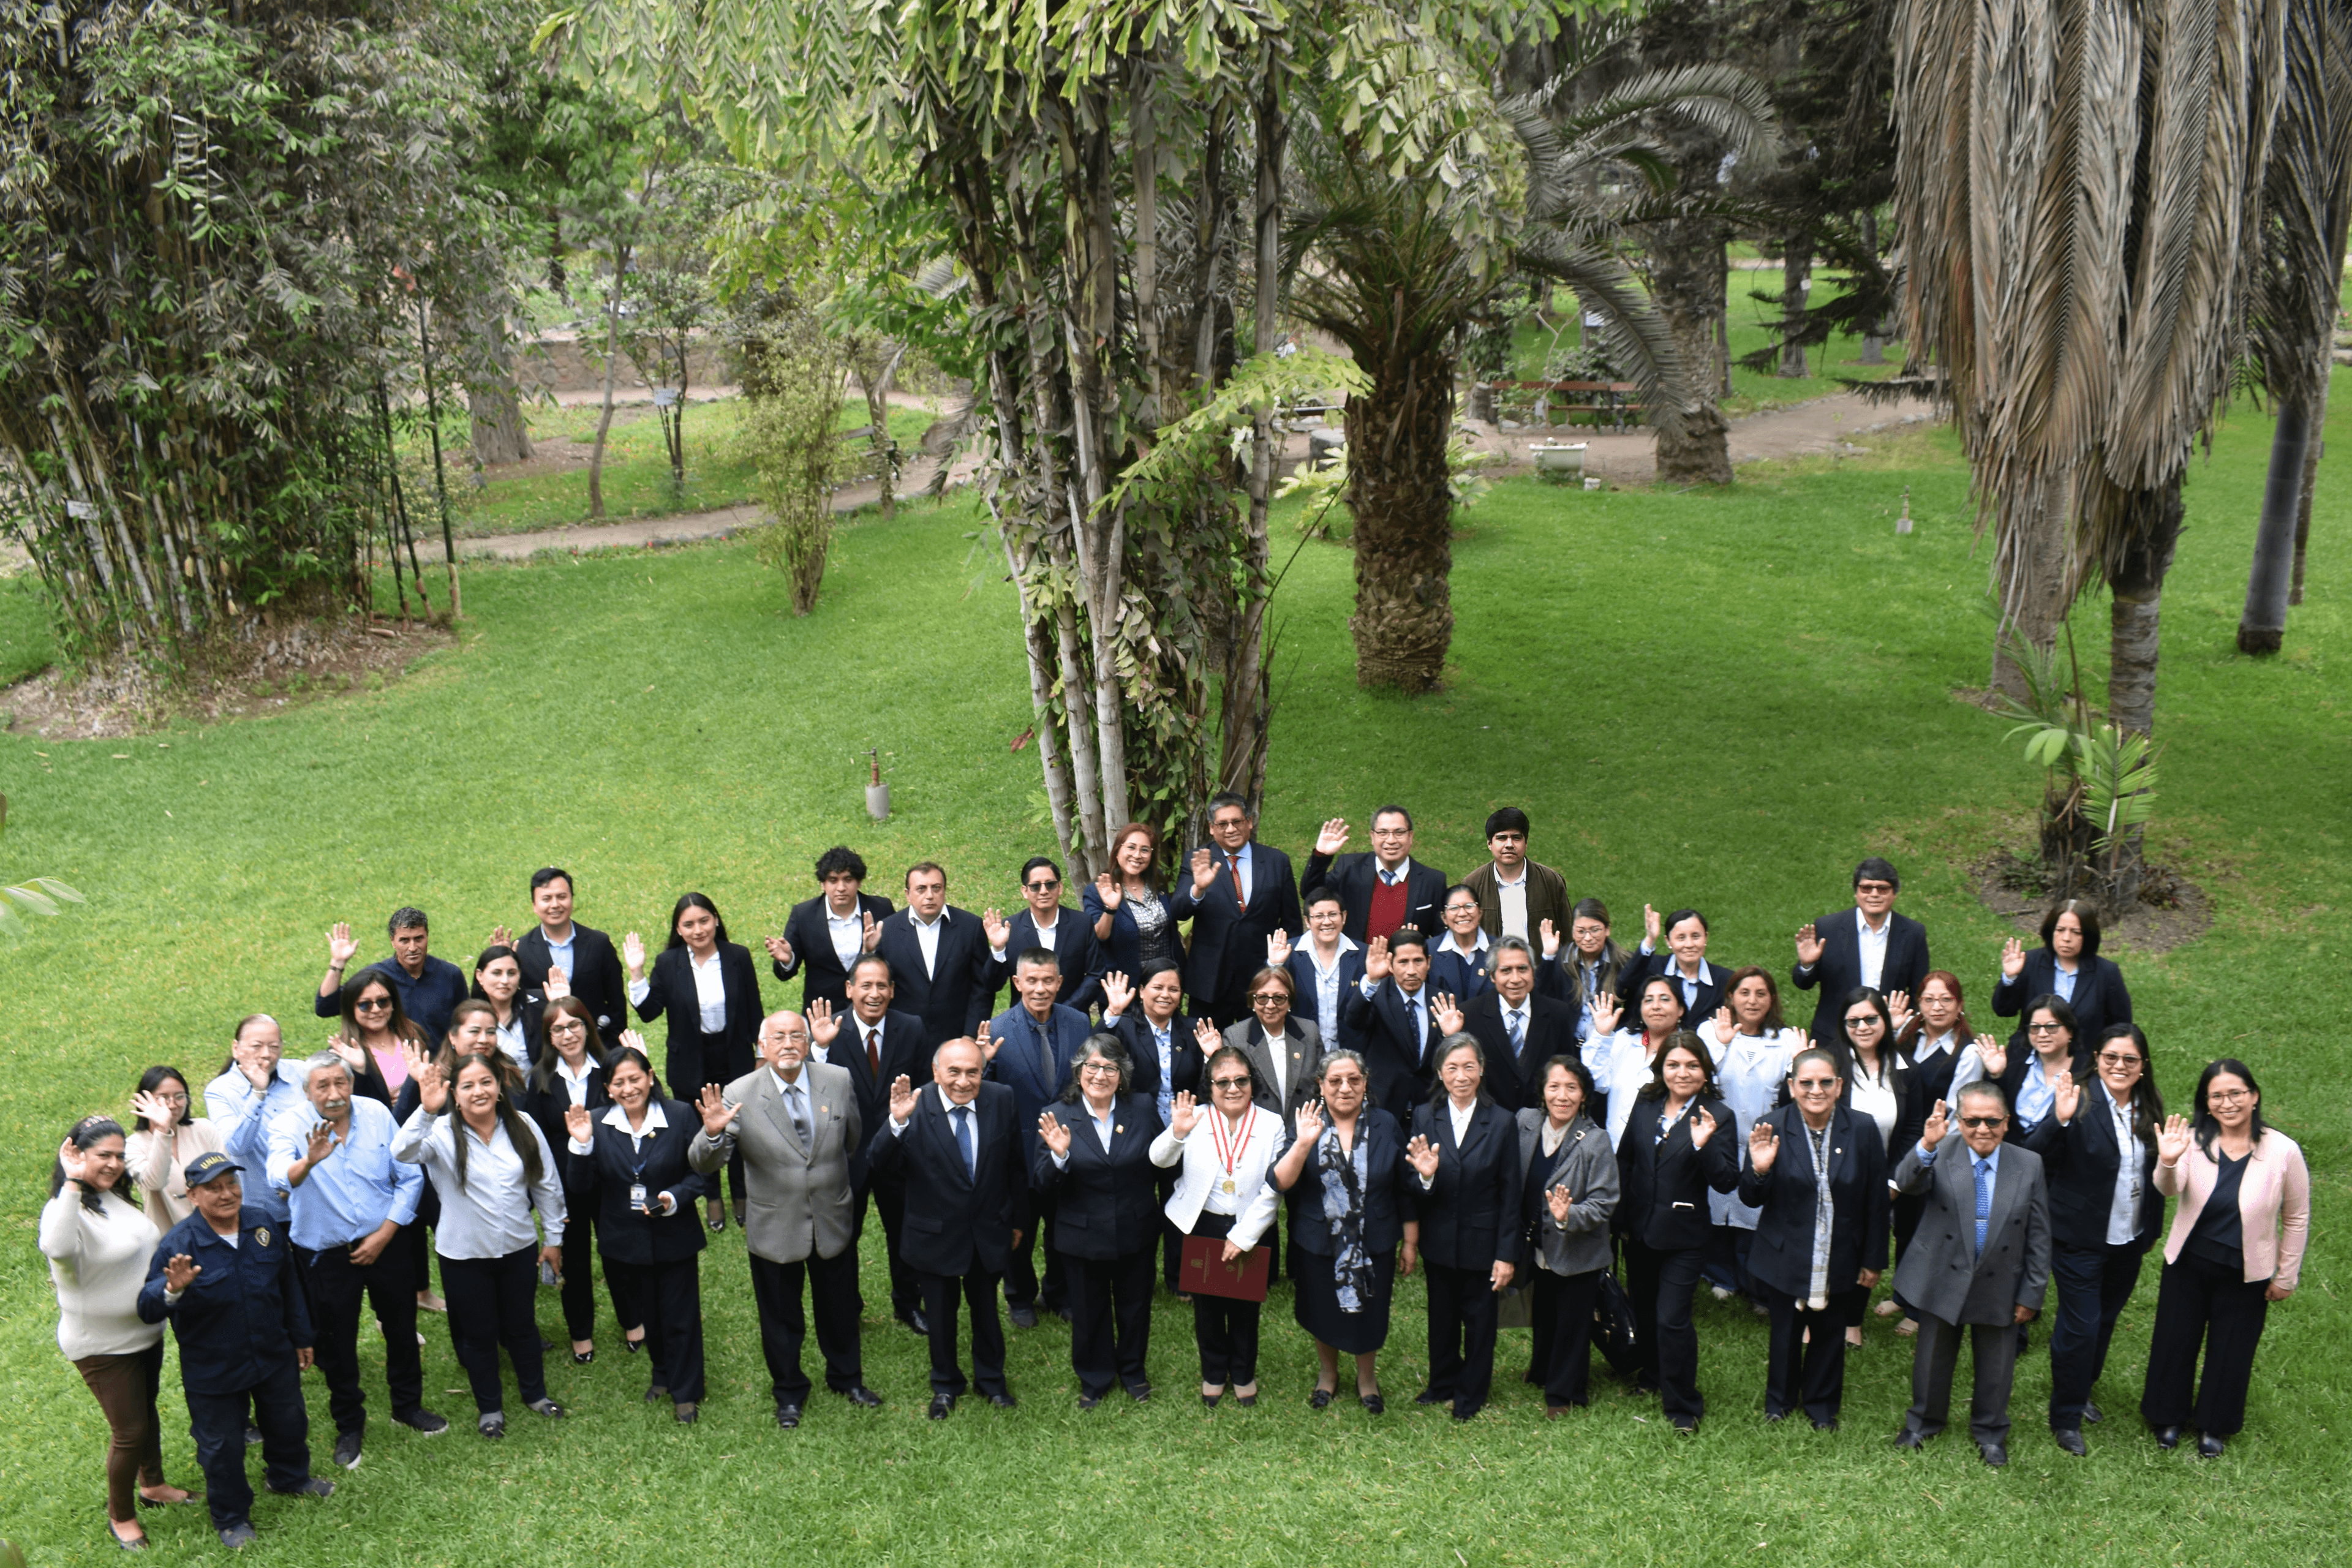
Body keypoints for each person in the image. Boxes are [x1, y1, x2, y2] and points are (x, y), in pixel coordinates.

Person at [690, 1011, 879, 1428]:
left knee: (840, 1309)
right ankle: (789, 1393)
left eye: (798, 1035)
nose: (789, 1043)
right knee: (781, 1317)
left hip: (832, 1216)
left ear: (809, 1043)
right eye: (779, 1036)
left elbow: (853, 1138)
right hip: (776, 1225)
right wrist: (714, 1134)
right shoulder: (740, 1092)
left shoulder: (838, 1080)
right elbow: (704, 1163)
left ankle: (847, 1379)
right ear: (763, 1045)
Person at [137, 1150, 331, 1547]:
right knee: (221, 1448)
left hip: (273, 1352)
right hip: (214, 1368)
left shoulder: (261, 1223)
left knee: (289, 1421)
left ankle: (289, 1477)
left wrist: (302, 1335)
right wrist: (172, 1288)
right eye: (214, 1188)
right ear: (192, 1196)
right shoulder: (179, 1244)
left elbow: (289, 1282)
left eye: (232, 1185)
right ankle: (231, 1518)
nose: (227, 1194)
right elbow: (146, 1305)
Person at [266, 1052, 442, 1468]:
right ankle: (349, 1423)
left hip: (386, 1241)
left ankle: (408, 1406)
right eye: (322, 1086)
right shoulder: (288, 1125)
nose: (333, 1094)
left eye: (340, 1083)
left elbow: (410, 1177)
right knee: (336, 1340)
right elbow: (277, 1175)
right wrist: (308, 1161)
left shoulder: (377, 1113)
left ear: (350, 1083)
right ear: (307, 1091)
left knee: (401, 1327)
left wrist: (384, 1234)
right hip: (325, 1252)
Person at [392, 1048, 568, 1437]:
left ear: (500, 1087)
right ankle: (490, 1409)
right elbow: (401, 1152)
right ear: (455, 1093)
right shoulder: (439, 1133)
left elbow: (547, 1183)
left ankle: (535, 1395)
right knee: (479, 1334)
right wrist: (425, 1109)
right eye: (468, 1086)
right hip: (463, 1256)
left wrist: (553, 1238)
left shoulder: (523, 1125)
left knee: (523, 1326)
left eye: (486, 1082)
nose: (478, 1092)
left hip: (518, 1248)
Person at [2141, 1058, 2309, 1458]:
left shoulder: (2284, 1151)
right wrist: (2167, 1159)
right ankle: (2167, 1417)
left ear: (2254, 1096)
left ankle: (2214, 1425)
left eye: (2235, 1093)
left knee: (2231, 1350)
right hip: (2188, 1265)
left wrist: (2286, 1276)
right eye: (2216, 1096)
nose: (2226, 1102)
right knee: (2174, 1342)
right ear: (2206, 1102)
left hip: (2246, 1272)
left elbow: (2297, 1215)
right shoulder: (2192, 1140)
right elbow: (2169, 1189)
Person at [43, 1116, 194, 1550]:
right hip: (102, 1346)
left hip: (145, 1329)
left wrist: (162, 1135)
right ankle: (121, 1516)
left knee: (146, 1414)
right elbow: (57, 1248)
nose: (112, 1164)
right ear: (76, 1155)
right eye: (101, 1156)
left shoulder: (113, 1196)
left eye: (117, 1155)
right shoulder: (65, 1209)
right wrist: (73, 1183)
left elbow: (154, 1180)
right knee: (128, 1431)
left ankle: (154, 1486)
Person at [1891, 1084, 2051, 1468]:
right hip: (1942, 1274)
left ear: (2007, 1122)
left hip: (2001, 1279)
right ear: (1958, 1122)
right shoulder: (1940, 1151)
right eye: (1973, 1120)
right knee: (1932, 1357)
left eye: (1992, 1121)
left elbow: (2040, 1234)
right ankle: (1924, 1422)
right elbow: (1906, 1183)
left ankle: (1991, 1431)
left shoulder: (2029, 1164)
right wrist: (1925, 1147)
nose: (1983, 1129)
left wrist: (2031, 1293)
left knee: (1998, 1363)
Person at [868, 1039, 1028, 1418]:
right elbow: (877, 1162)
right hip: (934, 1235)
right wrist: (897, 1122)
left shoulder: (1001, 1099)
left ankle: (991, 1381)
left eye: (972, 1072)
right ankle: (945, 1385)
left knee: (987, 1311)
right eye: (953, 1072)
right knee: (940, 1316)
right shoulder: (914, 1106)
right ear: (937, 1072)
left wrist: (1018, 1220)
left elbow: (1015, 1165)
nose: (962, 1081)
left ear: (983, 1071)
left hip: (988, 1232)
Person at [1738, 1046, 1890, 1430]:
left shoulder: (1863, 1128)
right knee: (1785, 1332)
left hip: (1840, 1252)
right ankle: (1780, 1403)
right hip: (1785, 1251)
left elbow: (1875, 1199)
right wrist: (1759, 1171)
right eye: (1806, 1083)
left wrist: (1874, 1259)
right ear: (1792, 1087)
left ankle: (1822, 1407)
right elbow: (1750, 1198)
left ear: (1840, 1086)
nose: (1816, 1090)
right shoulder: (1770, 1125)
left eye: (1825, 1082)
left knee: (1829, 1332)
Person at [563, 1046, 712, 1422]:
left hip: (674, 1232)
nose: (629, 1088)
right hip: (624, 1239)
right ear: (608, 1089)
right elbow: (580, 1189)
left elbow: (702, 1175)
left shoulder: (679, 1116)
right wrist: (581, 1146)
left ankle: (687, 1391)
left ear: (650, 1077)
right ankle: (661, 1372)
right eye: (619, 1083)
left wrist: (673, 1198)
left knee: (680, 1315)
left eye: (635, 1079)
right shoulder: (595, 1123)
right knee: (649, 1314)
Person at [2036, 1023, 2165, 1455]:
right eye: (2111, 1057)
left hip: (2128, 1238)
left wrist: (2152, 1228)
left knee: (2105, 1319)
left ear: (2143, 1067)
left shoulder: (2149, 1110)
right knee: (2081, 1326)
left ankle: (2082, 1388)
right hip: (2078, 1239)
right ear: (2096, 1058)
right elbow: (2035, 1153)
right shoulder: (2079, 1099)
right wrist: (2060, 1119)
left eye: (2130, 1059)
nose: (2120, 1066)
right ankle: (2066, 1416)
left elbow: (2156, 1174)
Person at [1270, 1049, 1416, 1413]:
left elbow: (1404, 1188)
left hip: (1375, 1241)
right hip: (1319, 1241)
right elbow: (1280, 1182)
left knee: (1371, 1312)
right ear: (1321, 1085)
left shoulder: (1386, 1124)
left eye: (1354, 1080)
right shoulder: (1306, 1122)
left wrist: (1410, 1242)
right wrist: (1303, 1143)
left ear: (1365, 1083)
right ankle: (1328, 1375)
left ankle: (1367, 1379)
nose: (1345, 1088)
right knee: (1323, 1310)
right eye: (1335, 1081)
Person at [1615, 1033, 1738, 1433]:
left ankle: (1684, 1405)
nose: (1682, 1073)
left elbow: (1726, 1181)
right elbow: (1626, 1162)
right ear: (1661, 1068)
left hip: (1683, 1237)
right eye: (1673, 1065)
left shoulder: (1718, 1114)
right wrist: (1618, 1222)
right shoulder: (1646, 1103)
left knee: (1672, 1319)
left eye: (1691, 1066)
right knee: (1647, 1313)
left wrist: (1704, 1146)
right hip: (1639, 1230)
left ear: (1705, 1072)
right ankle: (1652, 1377)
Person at [1033, 1035, 1164, 1406]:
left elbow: (1161, 1160)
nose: (1100, 1075)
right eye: (1092, 1066)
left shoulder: (1141, 1107)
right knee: (1090, 1312)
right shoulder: (1057, 1115)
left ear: (1122, 1075)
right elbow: (1041, 1185)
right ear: (1079, 1072)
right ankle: (1095, 1379)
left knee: (1135, 1307)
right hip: (1082, 1236)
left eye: (1110, 1068)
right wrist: (1060, 1157)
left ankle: (1133, 1374)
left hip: (1136, 1229)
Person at [807, 954, 931, 1336]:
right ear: (849, 990)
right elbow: (809, 1087)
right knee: (845, 1236)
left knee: (903, 1233)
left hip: (898, 1153)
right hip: (847, 1156)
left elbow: (926, 1087)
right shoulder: (830, 1032)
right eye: (866, 986)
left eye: (882, 986)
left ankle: (908, 1303)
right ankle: (848, 1306)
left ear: (892, 991)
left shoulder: (912, 1028)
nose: (874, 994)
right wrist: (820, 1049)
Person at [1153, 1047, 1285, 1406]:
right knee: (1207, 1306)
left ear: (1252, 1083)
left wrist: (1244, 1236)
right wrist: (1177, 1134)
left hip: (1251, 1224)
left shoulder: (1271, 1123)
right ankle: (1213, 1372)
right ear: (1209, 1086)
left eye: (1241, 1080)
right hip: (1202, 1222)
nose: (1232, 1088)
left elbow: (1274, 1189)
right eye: (1222, 1081)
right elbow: (1159, 1159)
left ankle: (1243, 1373)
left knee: (1246, 1307)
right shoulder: (1193, 1117)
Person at [627, 892, 766, 1230]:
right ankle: (712, 1198)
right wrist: (637, 973)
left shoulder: (738, 957)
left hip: (734, 1058)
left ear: (716, 920)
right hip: (691, 1064)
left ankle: (741, 1194)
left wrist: (761, 1057)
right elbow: (648, 1013)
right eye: (688, 924)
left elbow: (754, 1010)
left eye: (704, 920)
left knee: (737, 1127)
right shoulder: (668, 963)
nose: (698, 929)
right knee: (700, 1133)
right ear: (678, 928)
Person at [1404, 1035, 1523, 1422]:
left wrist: (1506, 1254)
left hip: (1483, 1241)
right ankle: (1442, 1383)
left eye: (1469, 1066)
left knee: (1479, 1321)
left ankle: (1471, 1393)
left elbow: (1511, 1194)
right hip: (1439, 1239)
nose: (1461, 1076)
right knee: (1441, 1318)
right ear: (1440, 1072)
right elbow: (1414, 1185)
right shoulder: (1424, 1116)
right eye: (1452, 1068)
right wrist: (1425, 1178)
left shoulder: (1503, 1121)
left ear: (1482, 1069)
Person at [987, 949, 1096, 1326]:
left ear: (1060, 982)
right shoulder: (998, 1030)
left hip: (1067, 1146)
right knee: (1020, 1226)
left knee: (1062, 1227)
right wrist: (986, 1064)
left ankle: (1058, 1291)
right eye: (1031, 981)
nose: (1040, 989)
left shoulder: (1080, 1023)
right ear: (1017, 983)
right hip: (1017, 1151)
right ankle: (1019, 1295)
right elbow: (985, 1097)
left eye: (1048, 980)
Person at [516, 998, 624, 1362]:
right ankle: (581, 1335)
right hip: (565, 1184)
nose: (568, 1035)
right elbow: (534, 1141)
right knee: (574, 1260)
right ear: (549, 1037)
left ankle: (633, 1322)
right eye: (558, 1029)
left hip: (612, 1180)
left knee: (619, 1254)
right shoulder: (539, 1079)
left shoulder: (611, 1067)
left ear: (587, 1026)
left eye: (575, 1025)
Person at [1692, 967, 1806, 1307]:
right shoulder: (1710, 1032)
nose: (1752, 1000)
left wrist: (1798, 1062)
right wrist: (1721, 1045)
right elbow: (1697, 1076)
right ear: (1730, 998)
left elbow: (1796, 1090)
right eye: (1744, 993)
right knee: (1718, 1209)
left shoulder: (1787, 1040)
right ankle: (1720, 1275)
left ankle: (1756, 1282)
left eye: (1761, 993)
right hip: (1719, 1138)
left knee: (1755, 1215)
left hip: (1765, 1142)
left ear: (1772, 999)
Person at [1513, 1057, 1619, 1415]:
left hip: (1578, 1251)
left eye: (1571, 1088)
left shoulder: (1596, 1141)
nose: (1562, 1096)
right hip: (1538, 1245)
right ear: (1542, 1092)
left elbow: (1605, 1203)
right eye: (1554, 1087)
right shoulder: (1526, 1123)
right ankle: (1543, 1370)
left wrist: (1567, 1216)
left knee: (1572, 1324)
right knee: (1543, 1313)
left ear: (1585, 1096)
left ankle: (1564, 1394)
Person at [1825, 987, 1929, 1346]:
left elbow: (1913, 1129)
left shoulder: (1907, 1070)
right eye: (1853, 1021)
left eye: (1871, 1018)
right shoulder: (1831, 1067)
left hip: (1883, 1181)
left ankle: (1853, 1323)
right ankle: (1819, 1314)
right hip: (1834, 1177)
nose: (1863, 1027)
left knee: (1869, 1249)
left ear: (1884, 1021)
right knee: (1829, 1247)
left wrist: (1894, 1182)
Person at [1102, 963, 1210, 1293]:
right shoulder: (1125, 1028)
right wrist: (1111, 1015)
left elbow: (1209, 1088)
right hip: (1138, 1134)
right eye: (1158, 987)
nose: (1166, 995)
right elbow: (1092, 1058)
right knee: (1142, 1209)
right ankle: (1139, 1278)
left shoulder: (1194, 1030)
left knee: (1182, 1205)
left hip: (1184, 1133)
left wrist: (1210, 1059)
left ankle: (1180, 1279)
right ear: (1143, 990)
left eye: (1174, 989)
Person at [1170, 791, 1303, 1027]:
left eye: (1237, 822)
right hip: (1210, 983)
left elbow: (1292, 924)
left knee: (1260, 1053)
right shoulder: (1198, 860)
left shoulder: (1276, 861)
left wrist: (1281, 972)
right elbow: (1178, 910)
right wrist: (1198, 889)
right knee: (1206, 1054)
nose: (1230, 829)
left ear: (1249, 822)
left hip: (1261, 982)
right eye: (1223, 824)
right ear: (1212, 828)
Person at [1790, 858, 1931, 1042]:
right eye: (1866, 888)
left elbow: (1918, 993)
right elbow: (1803, 983)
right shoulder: (1828, 928)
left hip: (1887, 1037)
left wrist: (1902, 1030)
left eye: (1883, 889)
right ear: (1856, 892)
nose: (1874, 894)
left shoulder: (1913, 934)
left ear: (1894, 894)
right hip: (1834, 1035)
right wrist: (1807, 965)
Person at [874, 861, 1012, 1046]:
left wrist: (970, 1035)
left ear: (945, 890)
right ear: (908, 895)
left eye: (936, 888)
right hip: (903, 1040)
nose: (929, 896)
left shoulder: (969, 927)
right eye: (921, 889)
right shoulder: (888, 930)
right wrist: (868, 951)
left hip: (958, 1039)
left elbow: (985, 987)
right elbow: (878, 986)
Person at [509, 866, 630, 1054]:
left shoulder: (599, 944)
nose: (555, 905)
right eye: (546, 899)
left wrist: (612, 1048)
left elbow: (617, 1004)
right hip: (546, 1054)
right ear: (534, 905)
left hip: (598, 1048)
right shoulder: (521, 951)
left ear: (572, 899)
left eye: (562, 897)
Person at [201, 1015, 306, 1231]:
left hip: (311, 1201)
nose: (267, 1054)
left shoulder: (302, 1073)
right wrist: (258, 1093)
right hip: (264, 1211)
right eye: (257, 1046)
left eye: (274, 1047)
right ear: (236, 1048)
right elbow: (237, 1146)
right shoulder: (219, 1091)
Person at [1992, 900, 2133, 1057]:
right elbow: (2003, 1010)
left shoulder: (2107, 973)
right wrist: (2010, 978)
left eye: (2076, 932)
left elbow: (2122, 1028)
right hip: (2030, 1058)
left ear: (2087, 936)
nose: (2067, 938)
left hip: (2082, 1064)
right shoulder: (2030, 962)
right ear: (2051, 932)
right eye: (2060, 930)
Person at [314, 908, 469, 1046]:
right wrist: (338, 962)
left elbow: (466, 1024)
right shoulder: (375, 978)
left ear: (427, 937)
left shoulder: (451, 975)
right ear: (393, 941)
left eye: (419, 939)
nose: (413, 948)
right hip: (391, 1072)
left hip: (438, 1070)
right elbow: (325, 1007)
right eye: (404, 940)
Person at [767, 845, 894, 1012]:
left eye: (848, 880)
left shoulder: (881, 909)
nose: (841, 888)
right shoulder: (803, 915)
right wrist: (788, 959)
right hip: (823, 1014)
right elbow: (784, 974)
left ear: (859, 881)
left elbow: (896, 960)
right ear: (823, 884)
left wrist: (871, 952)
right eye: (833, 880)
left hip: (873, 1009)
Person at [1460, 937, 1574, 1112]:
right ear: (1492, 976)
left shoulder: (1558, 1014)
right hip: (1490, 1123)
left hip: (1544, 1121)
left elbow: (1569, 1071)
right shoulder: (1470, 1015)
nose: (1516, 979)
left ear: (1533, 971)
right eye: (1506, 971)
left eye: (1522, 969)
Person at [1344, 929, 1447, 1120]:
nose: (1411, 971)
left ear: (1429, 962)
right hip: (1385, 1108)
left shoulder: (1442, 1000)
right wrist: (1372, 980)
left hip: (1432, 1109)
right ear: (1390, 965)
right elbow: (1354, 1021)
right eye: (1403, 962)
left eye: (1418, 961)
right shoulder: (1377, 995)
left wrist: (1451, 1036)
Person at [1301, 809, 1446, 944]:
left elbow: (1441, 937)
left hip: (1405, 968)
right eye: (1383, 833)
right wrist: (1322, 856)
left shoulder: (1433, 881)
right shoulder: (1349, 867)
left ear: (1411, 836)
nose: (1391, 840)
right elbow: (1311, 894)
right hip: (1355, 966)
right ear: (1372, 836)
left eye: (1399, 832)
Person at [1951, 995, 2081, 1145]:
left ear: (2070, 1032)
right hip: (2009, 1153)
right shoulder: (2016, 1060)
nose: (2042, 1034)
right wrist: (1997, 1075)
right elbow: (1993, 1108)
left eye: (2051, 1027)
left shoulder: (2085, 1073)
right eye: (2035, 1027)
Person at [1581, 974, 1688, 1150]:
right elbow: (1595, 1080)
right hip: (1616, 1152)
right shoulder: (1626, 1040)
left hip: (1662, 1156)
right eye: (1648, 1000)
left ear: (1680, 1009)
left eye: (1665, 999)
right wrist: (1601, 1034)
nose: (1656, 1006)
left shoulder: (1688, 1049)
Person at [126, 1066, 227, 1231]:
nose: (173, 1105)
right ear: (146, 1101)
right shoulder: (133, 1146)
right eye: (163, 1098)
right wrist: (163, 1130)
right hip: (172, 1239)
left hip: (219, 1228)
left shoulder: (204, 1129)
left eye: (179, 1097)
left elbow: (226, 1177)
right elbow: (154, 1183)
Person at [1085, 822, 1183, 991]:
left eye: (1145, 850)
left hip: (1165, 984)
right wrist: (1110, 909)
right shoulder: (1098, 890)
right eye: (1131, 848)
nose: (1137, 855)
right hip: (1124, 986)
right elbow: (1099, 936)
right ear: (1118, 851)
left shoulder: (1158, 881)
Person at [1006, 856, 1106, 1012]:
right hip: (1023, 1024)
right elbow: (992, 984)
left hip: (1073, 1020)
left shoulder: (1082, 924)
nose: (1044, 891)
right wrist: (998, 950)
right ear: (1025, 891)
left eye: (1050, 884)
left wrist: (1066, 1011)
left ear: (1060, 887)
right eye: (1035, 886)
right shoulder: (1009, 929)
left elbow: (1096, 974)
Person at [1222, 964, 1321, 1118]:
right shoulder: (1236, 1037)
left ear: (1289, 1002)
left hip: (1302, 1128)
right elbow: (1224, 1092)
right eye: (1262, 998)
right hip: (1257, 1132)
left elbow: (1323, 1084)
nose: (1270, 1005)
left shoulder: (1309, 1032)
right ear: (1252, 1002)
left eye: (1279, 998)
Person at [1272, 890, 1363, 1053]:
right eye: (1319, 916)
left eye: (1333, 914)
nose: (1326, 922)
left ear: (1344, 917)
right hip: (1301, 1053)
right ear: (1307, 920)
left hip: (1349, 1054)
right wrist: (1275, 965)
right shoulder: (1289, 952)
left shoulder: (1363, 954)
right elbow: (1270, 997)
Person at [1461, 807, 1569, 944]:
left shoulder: (1550, 881)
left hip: (1541, 965)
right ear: (1490, 844)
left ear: (1526, 843)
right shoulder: (1472, 885)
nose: (1509, 845)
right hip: (1491, 965)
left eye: (1516, 838)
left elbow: (1567, 933)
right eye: (1502, 838)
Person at [1537, 897, 1632, 1044]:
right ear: (1573, 931)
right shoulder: (1562, 959)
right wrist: (1548, 956)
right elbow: (1539, 996)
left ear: (1608, 929)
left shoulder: (1623, 961)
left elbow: (1639, 1012)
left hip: (1609, 1044)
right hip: (1568, 1045)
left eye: (1595, 930)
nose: (1588, 938)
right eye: (1581, 931)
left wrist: (1632, 1039)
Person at [1622, 906, 1729, 1022]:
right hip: (1647, 1038)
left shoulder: (1726, 980)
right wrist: (1650, 939)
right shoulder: (1651, 967)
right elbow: (1624, 985)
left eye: (1696, 936)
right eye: (1681, 938)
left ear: (1706, 938)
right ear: (1668, 941)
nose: (1689, 944)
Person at [319, 970, 409, 1107]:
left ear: (393, 1003)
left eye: (383, 1002)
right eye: (365, 1005)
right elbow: (345, 1107)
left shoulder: (413, 1035)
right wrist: (360, 1071)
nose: (376, 1010)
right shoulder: (341, 1053)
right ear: (351, 1009)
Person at [1891, 969, 1973, 1106]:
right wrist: (1890, 1030)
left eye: (1946, 999)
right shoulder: (1905, 1031)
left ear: (1960, 1005)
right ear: (1920, 1004)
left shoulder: (1968, 1054)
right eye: (1929, 1000)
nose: (1937, 1007)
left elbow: (1959, 1112)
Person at [469, 943, 538, 1079]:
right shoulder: (467, 1018)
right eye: (497, 973)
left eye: (511, 973)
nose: (505, 981)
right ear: (480, 976)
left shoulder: (538, 1009)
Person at [1428, 885, 1494, 1001]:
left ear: (1480, 912)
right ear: (1444, 918)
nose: (1462, 913)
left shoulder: (1499, 949)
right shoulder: (1429, 950)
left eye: (1469, 906)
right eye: (1454, 908)